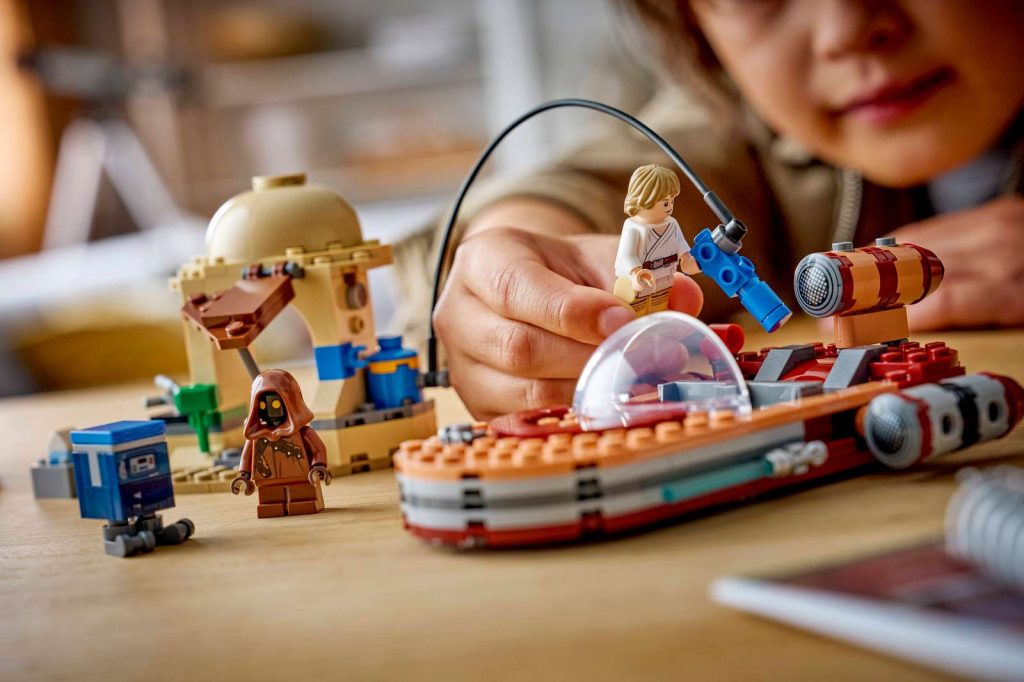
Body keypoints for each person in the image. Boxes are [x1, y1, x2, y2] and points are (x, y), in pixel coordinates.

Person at [396, 0, 1024, 420]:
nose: (847, 30)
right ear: (696, 28)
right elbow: (579, 187)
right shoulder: (742, 131)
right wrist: (514, 264)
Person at [614, 164, 701, 316]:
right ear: (644, 200)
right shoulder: (633, 227)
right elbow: (626, 256)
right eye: (665, 203)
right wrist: (637, 272)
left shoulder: (672, 224)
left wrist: (688, 260)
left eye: (672, 201)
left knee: (657, 313)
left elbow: (681, 245)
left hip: (664, 279)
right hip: (639, 282)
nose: (670, 207)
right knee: (635, 315)